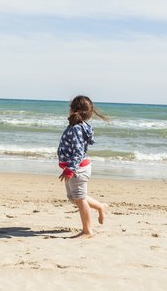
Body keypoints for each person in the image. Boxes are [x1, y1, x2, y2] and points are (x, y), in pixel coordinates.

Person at [58, 95, 110, 239]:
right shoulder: (79, 126)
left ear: (73, 110)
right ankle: (100, 206)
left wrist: (70, 170)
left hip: (77, 170)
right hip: (75, 168)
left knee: (80, 201)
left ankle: (87, 231)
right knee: (73, 198)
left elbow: (79, 152)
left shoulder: (76, 128)